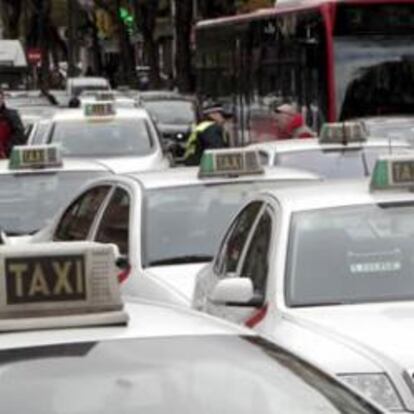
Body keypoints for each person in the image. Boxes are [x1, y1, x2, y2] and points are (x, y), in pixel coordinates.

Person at [0, 89, 26, 158]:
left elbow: (19, 136)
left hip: (6, 158)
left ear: (2, 99)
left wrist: (7, 150)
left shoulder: (11, 116)